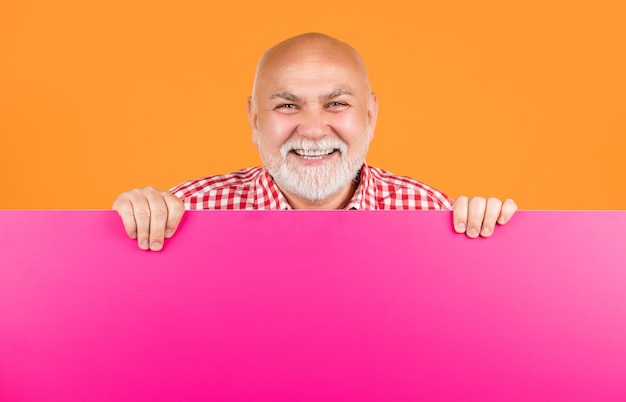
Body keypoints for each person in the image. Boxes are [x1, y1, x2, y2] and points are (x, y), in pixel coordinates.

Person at [113, 33, 517, 251]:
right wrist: (126, 229)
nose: (313, 129)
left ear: (371, 114)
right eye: (288, 105)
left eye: (336, 103)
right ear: (255, 119)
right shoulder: (184, 215)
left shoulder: (434, 217)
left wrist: (493, 244)